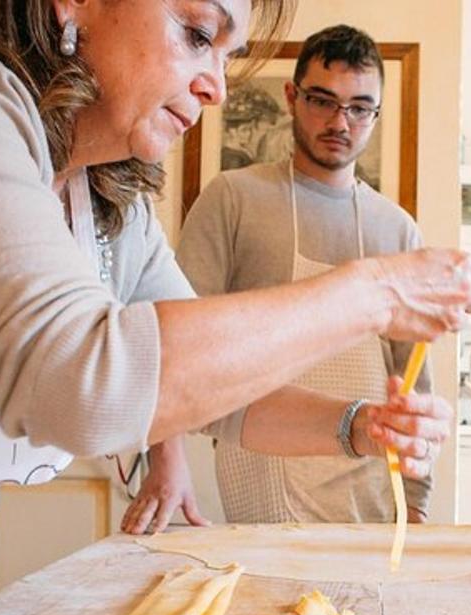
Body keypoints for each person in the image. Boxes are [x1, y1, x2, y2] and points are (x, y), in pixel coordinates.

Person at [0, 0, 471, 615]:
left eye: (227, 57)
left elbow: (211, 393)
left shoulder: (105, 198)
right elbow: (77, 382)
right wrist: (372, 296)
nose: (217, 85)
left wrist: (358, 426)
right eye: (199, 35)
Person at [124, 24, 431, 530]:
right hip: (261, 459)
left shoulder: (395, 228)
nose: (340, 121)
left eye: (360, 108)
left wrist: (416, 499)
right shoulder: (233, 198)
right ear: (291, 96)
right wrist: (166, 460)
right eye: (322, 100)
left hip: (370, 473)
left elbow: (413, 375)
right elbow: (175, 343)